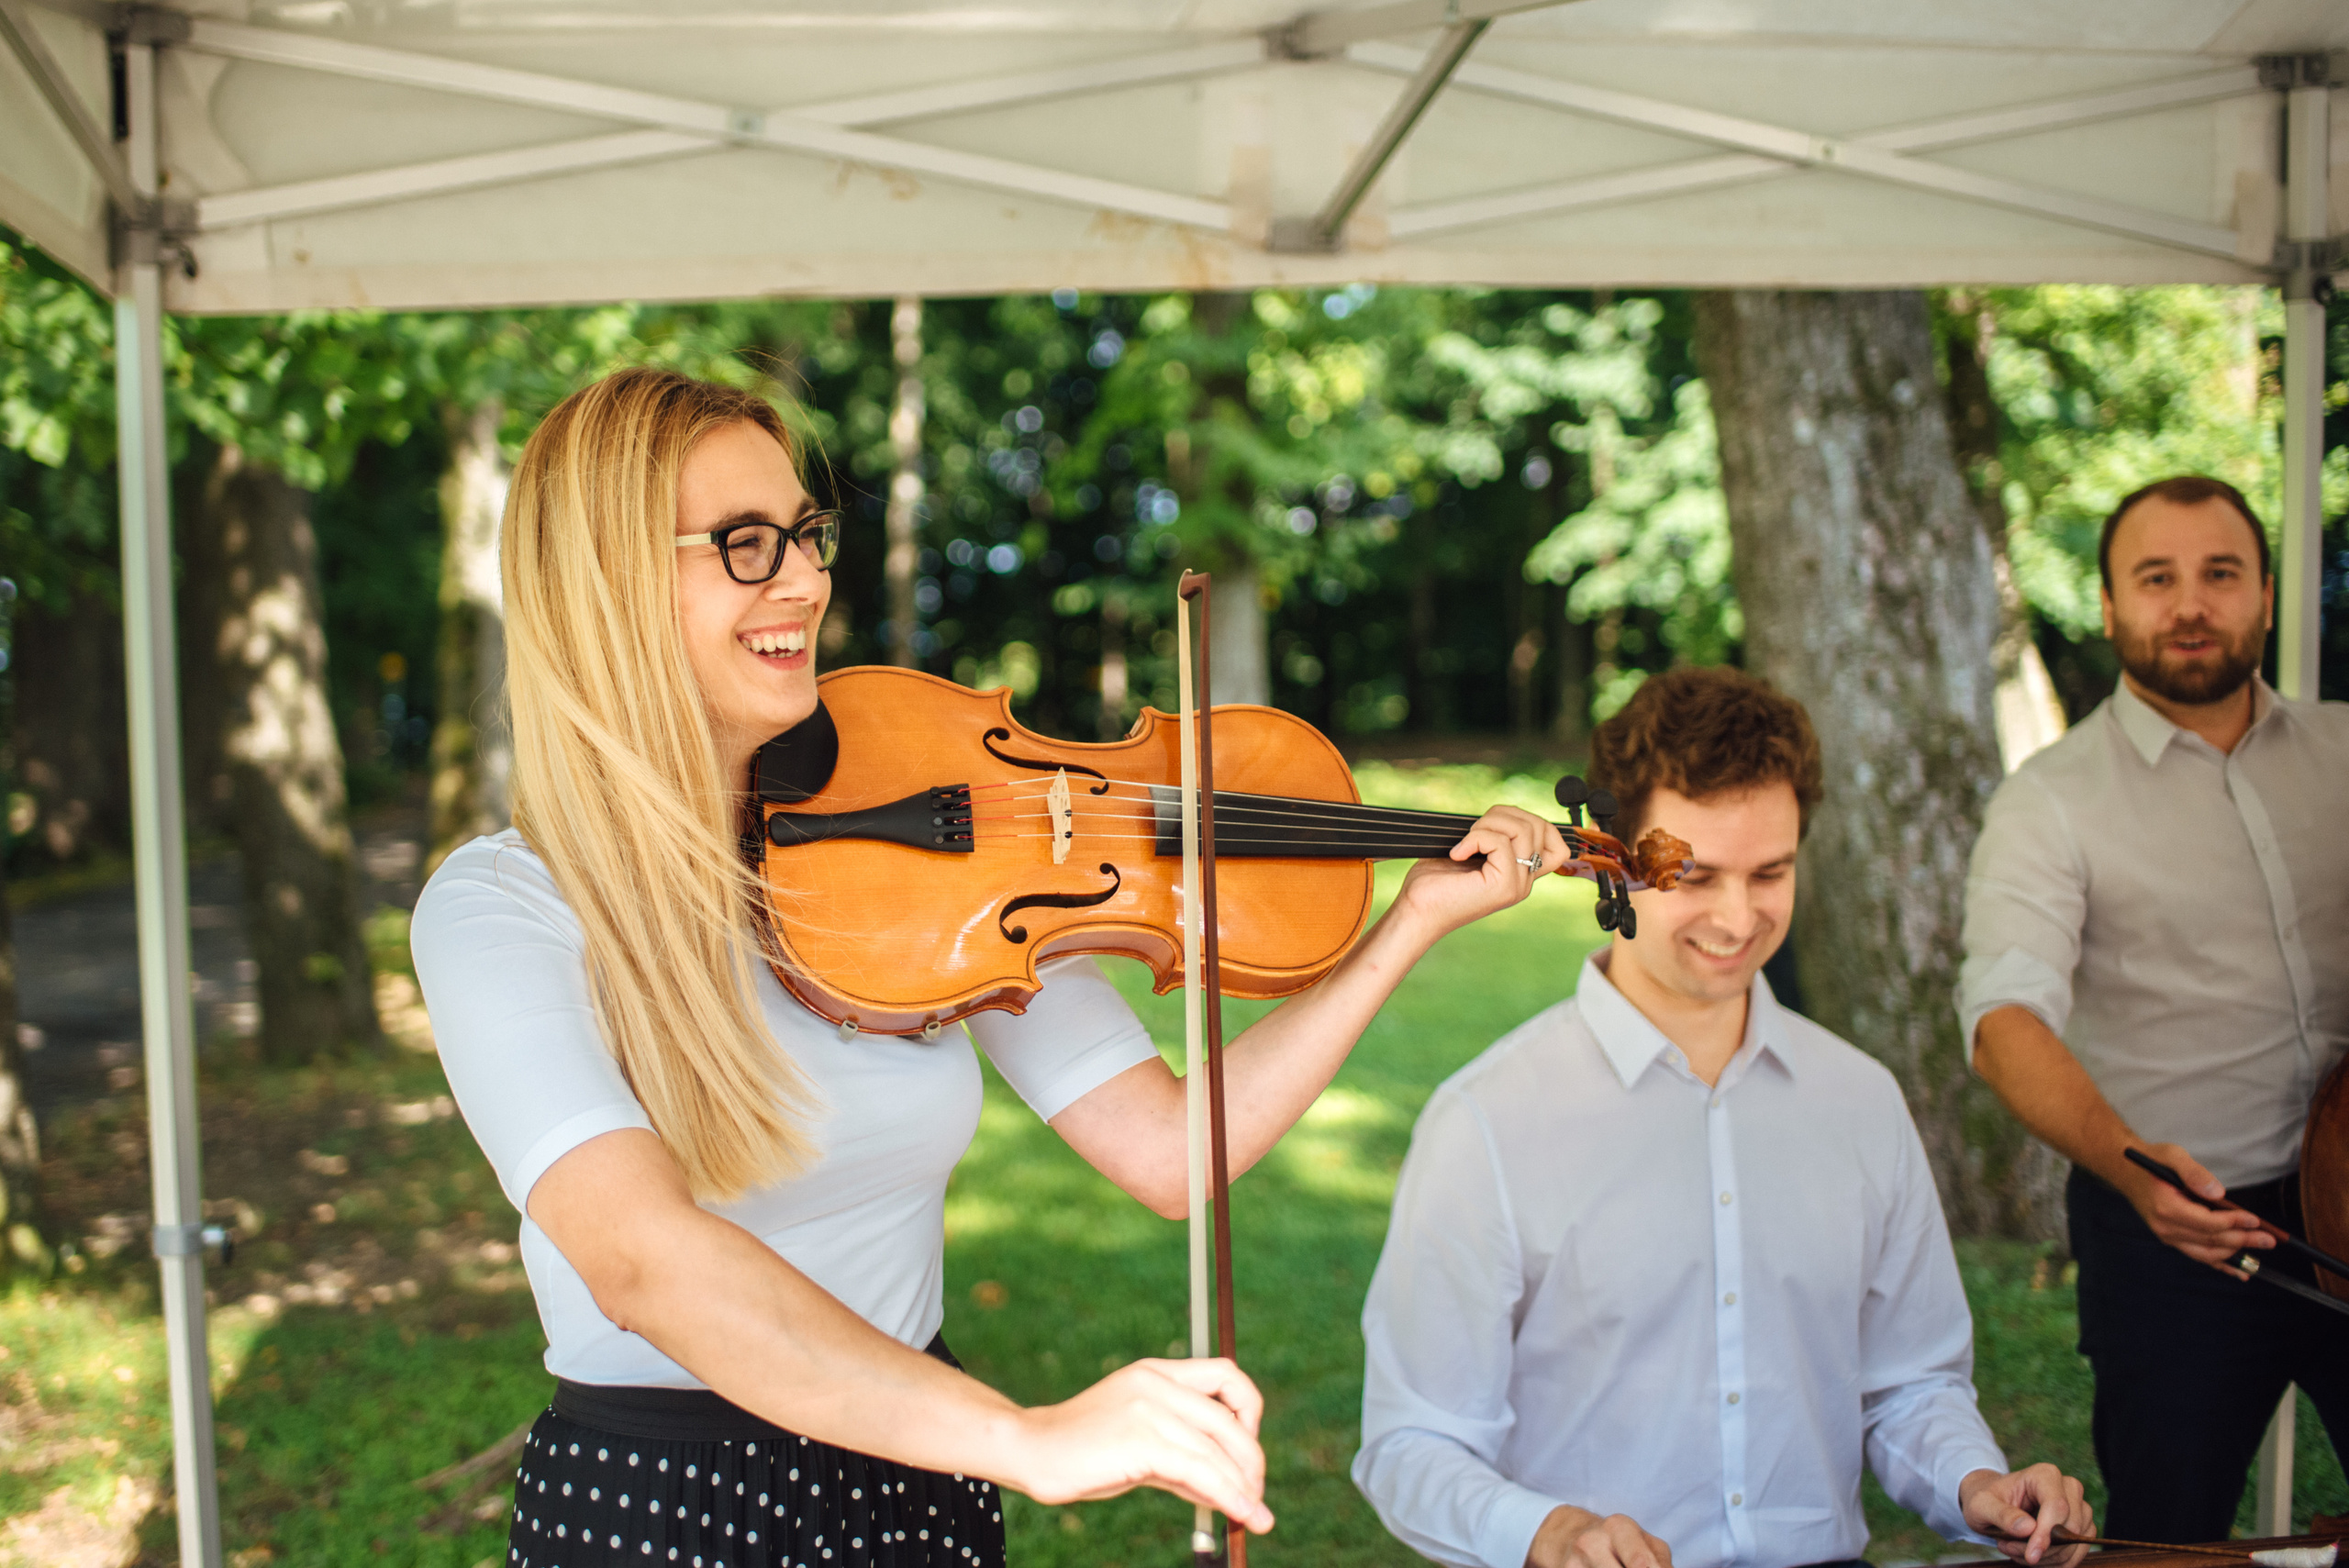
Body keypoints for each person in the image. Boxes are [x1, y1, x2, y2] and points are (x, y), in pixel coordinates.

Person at [409, 367, 1572, 1568]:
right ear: (602, 580)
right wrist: (1026, 1437)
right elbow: (640, 1258)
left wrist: (1405, 924)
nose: (803, 580)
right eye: (745, 544)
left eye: (807, 533)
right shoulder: (504, 907)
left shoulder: (929, 822)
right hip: (665, 1504)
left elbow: (1171, 1152)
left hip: (916, 1478)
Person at [1353, 667, 2093, 1568]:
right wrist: (1546, 1532)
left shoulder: (1860, 1099)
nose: (1738, 917)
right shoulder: (1485, 1121)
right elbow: (1412, 1442)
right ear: (1608, 859)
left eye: (1770, 871)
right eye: (1694, 874)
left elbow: (1910, 1383)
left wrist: (1974, 1482)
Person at [1962, 475, 2349, 1544]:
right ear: (2107, 605)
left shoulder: (2343, 753)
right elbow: (2001, 1019)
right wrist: (2135, 1170)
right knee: (2168, 1536)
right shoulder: (2049, 799)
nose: (2189, 603)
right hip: (2170, 1234)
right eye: (2155, 577)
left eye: (2219, 573)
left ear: (2265, 593)